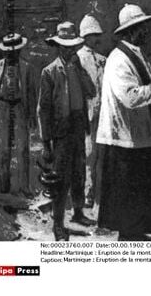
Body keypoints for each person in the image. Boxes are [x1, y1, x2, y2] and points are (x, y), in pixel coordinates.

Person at [97, 4, 151, 241]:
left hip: (138, 134)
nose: (147, 31)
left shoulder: (134, 54)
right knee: (130, 187)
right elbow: (130, 96)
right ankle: (129, 235)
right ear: (133, 30)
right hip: (125, 136)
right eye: (143, 27)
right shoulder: (119, 59)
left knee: (140, 186)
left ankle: (134, 232)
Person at [38, 22, 98, 241]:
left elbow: (91, 91)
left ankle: (79, 213)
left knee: (78, 173)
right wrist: (46, 143)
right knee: (59, 179)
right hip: (60, 132)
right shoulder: (49, 72)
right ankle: (57, 225)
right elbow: (43, 110)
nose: (69, 50)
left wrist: (80, 71)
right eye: (65, 47)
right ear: (58, 47)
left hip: (78, 126)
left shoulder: (78, 67)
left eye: (72, 46)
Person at [0, 33, 37, 196]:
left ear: (19, 51)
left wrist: (32, 115)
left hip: (20, 107)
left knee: (23, 148)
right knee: (3, 147)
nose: (11, 54)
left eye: (15, 51)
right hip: (2, 106)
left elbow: (31, 94)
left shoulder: (27, 68)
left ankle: (24, 186)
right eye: (8, 52)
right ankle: (4, 185)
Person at [77, 14, 107, 208]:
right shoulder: (78, 59)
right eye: (93, 35)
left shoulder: (103, 59)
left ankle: (99, 193)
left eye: (98, 35)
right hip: (85, 113)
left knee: (101, 154)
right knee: (88, 154)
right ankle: (86, 194)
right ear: (86, 37)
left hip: (102, 114)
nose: (96, 39)